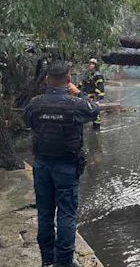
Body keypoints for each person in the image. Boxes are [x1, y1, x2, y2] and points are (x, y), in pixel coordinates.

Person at [24, 61, 99, 267]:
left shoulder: (35, 103)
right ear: (68, 80)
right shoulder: (76, 104)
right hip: (66, 166)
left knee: (45, 213)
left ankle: (47, 261)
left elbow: (27, 121)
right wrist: (79, 93)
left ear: (47, 79)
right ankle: (64, 263)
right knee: (66, 214)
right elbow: (94, 110)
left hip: (42, 166)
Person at [79, 58, 104, 129]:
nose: (90, 65)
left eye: (92, 64)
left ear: (95, 66)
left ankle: (96, 128)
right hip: (85, 97)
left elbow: (100, 88)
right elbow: (82, 84)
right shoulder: (87, 75)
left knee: (96, 113)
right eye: (89, 63)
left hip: (94, 98)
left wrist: (95, 97)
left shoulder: (98, 75)